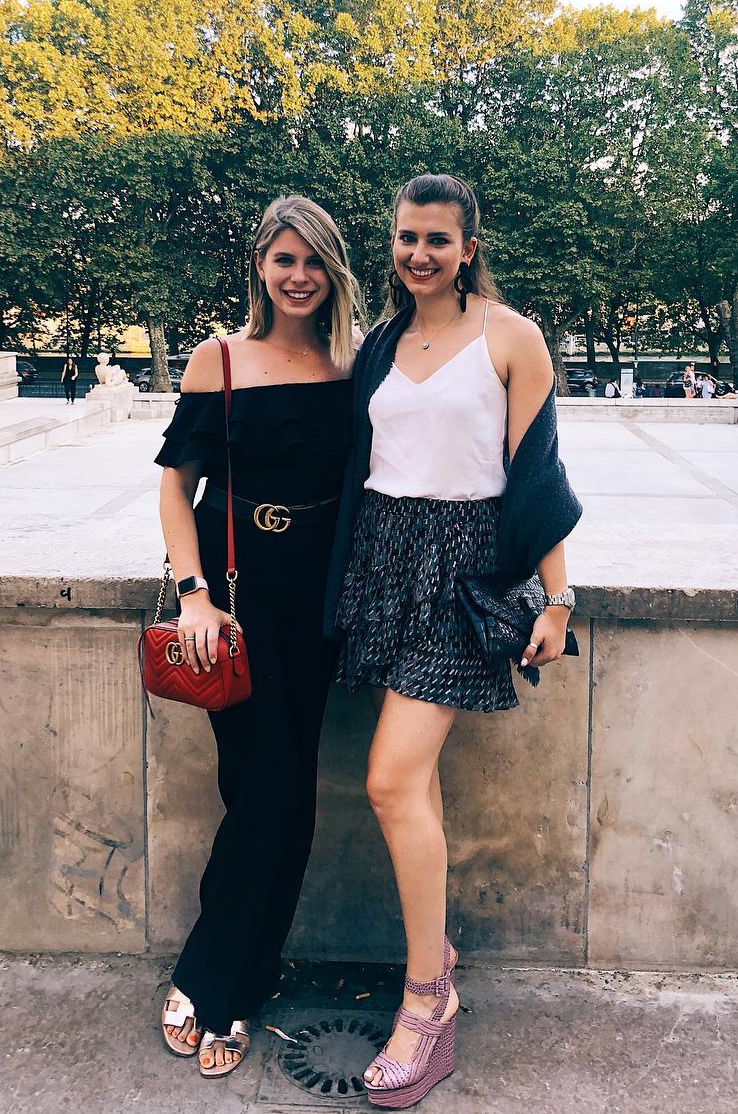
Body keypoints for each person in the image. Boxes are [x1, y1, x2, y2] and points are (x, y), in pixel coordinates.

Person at [326, 174, 582, 1107]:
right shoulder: (379, 343)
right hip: (382, 562)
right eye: (407, 237)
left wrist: (557, 600)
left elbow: (537, 476)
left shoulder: (511, 337)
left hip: (464, 572)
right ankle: (437, 956)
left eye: (438, 239)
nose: (419, 254)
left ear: (468, 247)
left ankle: (427, 1003)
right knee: (417, 783)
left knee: (389, 781)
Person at [154, 196, 360, 1077]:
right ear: (260, 267)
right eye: (284, 259)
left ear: (334, 269)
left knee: (290, 794)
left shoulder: (357, 361)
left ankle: (238, 975)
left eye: (313, 260)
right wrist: (193, 595)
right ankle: (215, 978)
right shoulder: (221, 358)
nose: (299, 276)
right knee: (264, 792)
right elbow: (176, 486)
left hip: (323, 598)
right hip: (236, 600)